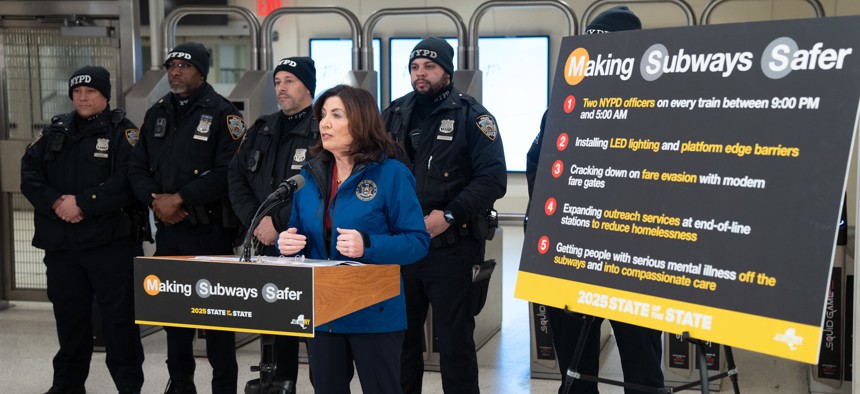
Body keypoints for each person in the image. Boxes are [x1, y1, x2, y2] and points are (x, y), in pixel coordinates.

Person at [525, 6, 665, 394]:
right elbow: (538, 167)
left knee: (642, 370)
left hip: (635, 260)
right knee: (575, 372)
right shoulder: (565, 106)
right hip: (571, 258)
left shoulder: (660, 107)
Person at [277, 85, 430, 394]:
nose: (324, 124)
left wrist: (369, 245)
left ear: (360, 121)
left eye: (336, 115)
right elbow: (297, 231)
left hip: (374, 312)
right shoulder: (308, 176)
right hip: (322, 311)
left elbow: (417, 241)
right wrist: (288, 245)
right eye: (322, 116)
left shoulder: (391, 174)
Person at [382, 37, 507, 393]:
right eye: (414, 67)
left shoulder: (474, 117)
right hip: (402, 249)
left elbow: (492, 180)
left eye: (429, 67)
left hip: (451, 249)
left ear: (447, 73)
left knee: (454, 344)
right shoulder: (392, 114)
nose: (420, 74)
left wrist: (448, 216)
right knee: (402, 340)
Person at [20, 66, 146, 394]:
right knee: (69, 319)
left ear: (105, 95)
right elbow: (30, 174)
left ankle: (128, 387)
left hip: (110, 245)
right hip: (63, 246)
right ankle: (67, 385)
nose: (83, 97)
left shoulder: (123, 132)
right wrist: (57, 202)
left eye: (90, 91)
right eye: (77, 91)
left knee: (119, 323)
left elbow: (127, 181)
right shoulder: (55, 131)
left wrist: (83, 204)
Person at [128, 42, 245, 394]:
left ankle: (223, 388)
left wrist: (180, 198)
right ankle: (180, 385)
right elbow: (136, 166)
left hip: (210, 232)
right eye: (171, 65)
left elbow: (229, 171)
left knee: (217, 321)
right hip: (170, 232)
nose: (175, 71)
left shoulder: (225, 115)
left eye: (184, 65)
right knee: (173, 317)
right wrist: (157, 201)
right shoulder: (158, 112)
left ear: (202, 71)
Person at [227, 56, 319, 393]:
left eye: (289, 81)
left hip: (308, 248)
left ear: (307, 85)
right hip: (266, 246)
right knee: (276, 337)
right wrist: (258, 221)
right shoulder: (263, 127)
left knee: (317, 339)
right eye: (278, 81)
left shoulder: (321, 129)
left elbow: (319, 188)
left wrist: (278, 226)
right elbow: (236, 177)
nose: (281, 87)